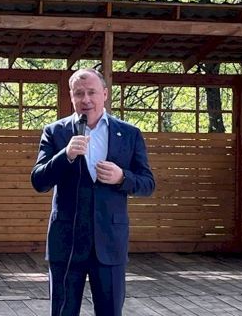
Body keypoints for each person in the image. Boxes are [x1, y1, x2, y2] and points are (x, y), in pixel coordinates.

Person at [31, 68, 155, 316]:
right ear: (71, 96)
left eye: (92, 92)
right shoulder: (55, 132)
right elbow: (39, 181)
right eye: (79, 93)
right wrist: (65, 155)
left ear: (105, 94)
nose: (86, 99)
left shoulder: (129, 134)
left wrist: (122, 177)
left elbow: (148, 183)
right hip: (66, 243)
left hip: (110, 243)